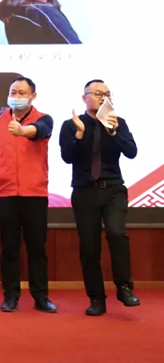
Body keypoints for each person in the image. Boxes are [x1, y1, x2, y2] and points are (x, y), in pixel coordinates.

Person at [59, 80, 140, 316]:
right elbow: (67, 157)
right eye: (97, 93)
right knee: (89, 247)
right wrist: (79, 134)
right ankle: (96, 298)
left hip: (113, 188)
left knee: (116, 233)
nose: (103, 97)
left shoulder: (118, 122)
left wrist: (113, 132)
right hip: (85, 191)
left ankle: (124, 288)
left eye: (107, 94)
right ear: (84, 98)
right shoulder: (71, 125)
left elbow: (132, 152)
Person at [0, 76, 57, 313]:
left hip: (35, 193)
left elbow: (40, 131)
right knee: (9, 248)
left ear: (32, 96)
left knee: (37, 248)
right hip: (6, 194)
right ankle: (11, 296)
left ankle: (41, 296)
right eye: (13, 92)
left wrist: (22, 130)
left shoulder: (44, 118)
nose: (16, 96)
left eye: (22, 93)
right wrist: (1, 174)